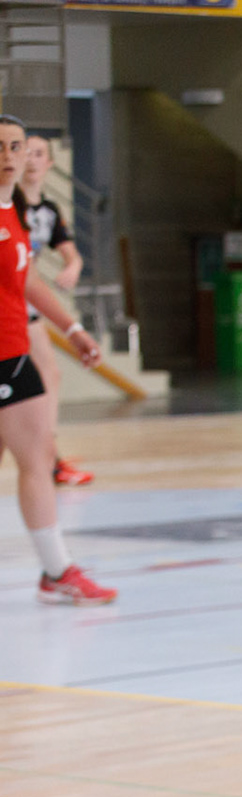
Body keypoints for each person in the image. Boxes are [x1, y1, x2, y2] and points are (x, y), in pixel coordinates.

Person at [0, 116, 114, 605]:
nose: (8, 156)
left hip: (12, 353)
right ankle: (57, 571)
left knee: (38, 457)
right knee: (36, 457)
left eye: (16, 147)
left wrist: (72, 329)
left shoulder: (15, 212)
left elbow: (25, 281)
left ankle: (56, 571)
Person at [19, 135, 86, 488]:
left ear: (50, 163)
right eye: (22, 151)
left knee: (49, 374)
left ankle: (49, 456)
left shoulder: (48, 211)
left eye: (38, 153)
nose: (30, 159)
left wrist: (72, 266)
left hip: (22, 301)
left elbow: (70, 253)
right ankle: (47, 458)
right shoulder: (8, 204)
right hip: (13, 300)